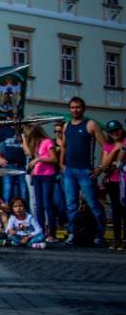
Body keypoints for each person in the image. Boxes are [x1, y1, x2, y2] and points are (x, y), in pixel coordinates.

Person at [61, 97, 107, 246]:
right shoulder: (67, 125)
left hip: (86, 170)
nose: (75, 110)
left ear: (83, 108)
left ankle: (100, 235)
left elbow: (105, 146)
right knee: (71, 204)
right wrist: (62, 164)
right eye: (73, 107)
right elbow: (64, 146)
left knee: (93, 204)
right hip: (69, 171)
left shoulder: (91, 124)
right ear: (69, 109)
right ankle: (73, 233)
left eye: (78, 107)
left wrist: (100, 167)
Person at [22, 124, 58, 243]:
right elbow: (28, 153)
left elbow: (54, 159)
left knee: (47, 204)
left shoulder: (47, 142)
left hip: (48, 175)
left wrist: (38, 159)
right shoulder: (35, 144)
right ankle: (41, 230)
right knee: (39, 205)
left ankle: (52, 232)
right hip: (37, 175)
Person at [99, 120, 125, 250]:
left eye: (117, 130)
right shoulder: (108, 146)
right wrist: (115, 150)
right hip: (113, 182)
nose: (115, 133)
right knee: (116, 211)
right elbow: (104, 166)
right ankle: (117, 239)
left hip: (124, 180)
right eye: (112, 131)